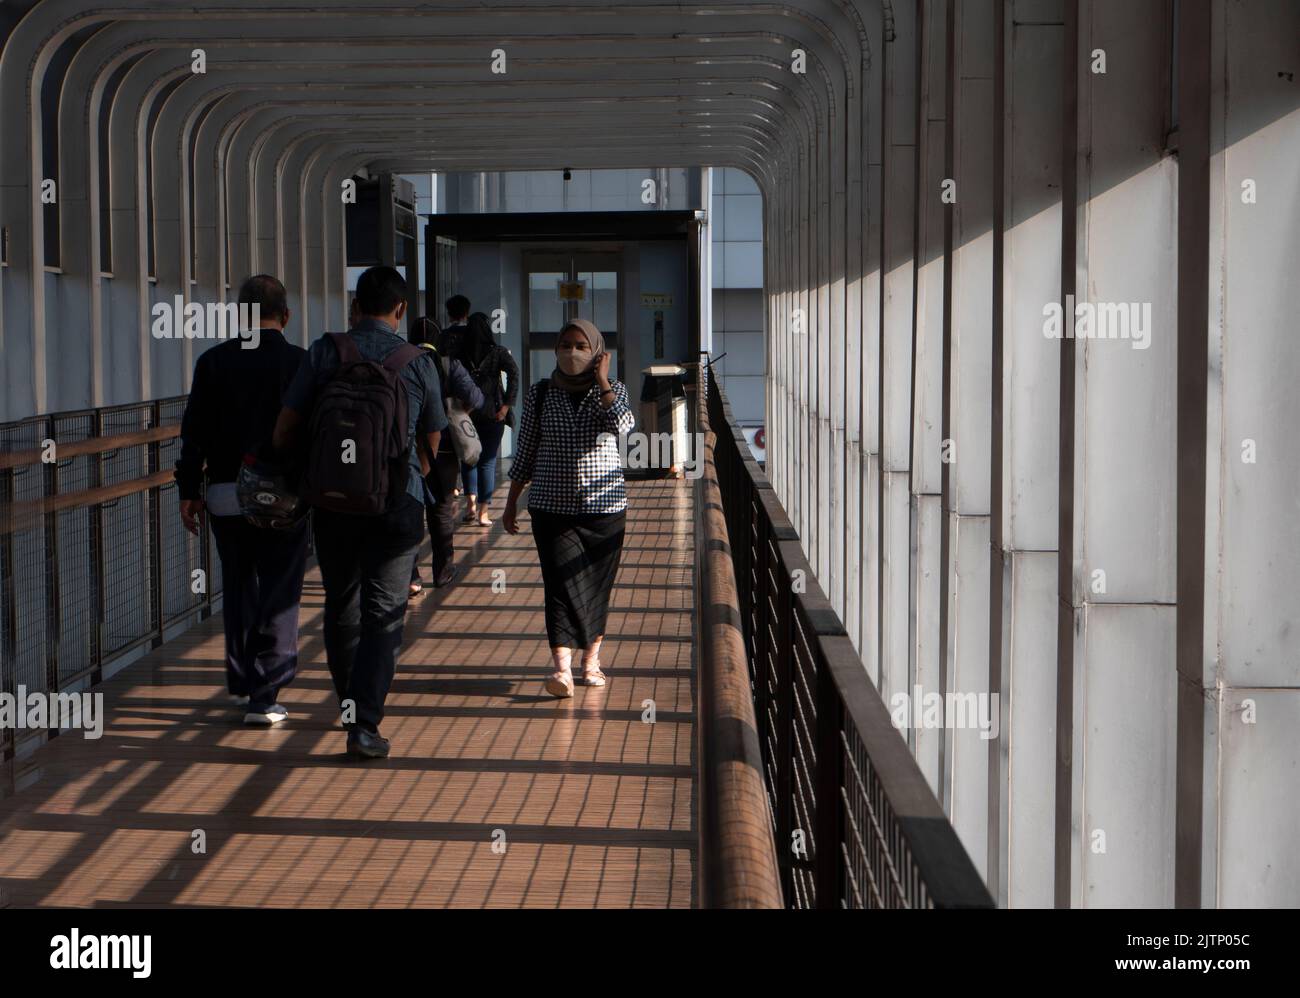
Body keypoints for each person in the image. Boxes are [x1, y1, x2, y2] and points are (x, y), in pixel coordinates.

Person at [271, 266, 445, 759]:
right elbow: (433, 435)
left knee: (341, 605)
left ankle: (350, 706)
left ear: (355, 305)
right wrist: (415, 477)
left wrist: (301, 473)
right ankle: (364, 724)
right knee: (384, 614)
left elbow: (288, 424)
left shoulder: (326, 350)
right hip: (396, 501)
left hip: (333, 504)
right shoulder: (418, 362)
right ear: (400, 309)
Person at [175, 275, 309, 725]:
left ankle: (241, 678)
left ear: (240, 317)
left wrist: (189, 489)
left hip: (226, 494)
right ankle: (265, 693)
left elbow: (193, 432)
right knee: (280, 588)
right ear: (285, 316)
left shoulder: (213, 362)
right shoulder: (301, 363)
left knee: (238, 585)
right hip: (285, 496)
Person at [503, 318, 635, 698]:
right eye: (565, 344)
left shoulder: (613, 392)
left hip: (604, 510)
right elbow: (525, 449)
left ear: (596, 352)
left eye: (580, 345)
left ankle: (590, 662)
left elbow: (625, 429)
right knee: (560, 584)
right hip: (551, 508)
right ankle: (561, 669)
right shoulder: (541, 393)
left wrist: (604, 382)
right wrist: (512, 502)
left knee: (596, 586)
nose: (571, 352)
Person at [407, 316, 484, 595]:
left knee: (411, 507)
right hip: (446, 449)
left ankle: (411, 576)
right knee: (441, 509)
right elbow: (476, 398)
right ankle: (442, 571)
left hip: (409, 447)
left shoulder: (402, 362)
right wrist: (457, 410)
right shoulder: (450, 365)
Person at [459, 311, 519, 526]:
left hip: (466, 414)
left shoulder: (460, 352)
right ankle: (484, 512)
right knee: (487, 462)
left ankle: (470, 507)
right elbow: (514, 373)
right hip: (493, 413)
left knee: (468, 460)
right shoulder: (497, 352)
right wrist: (506, 405)